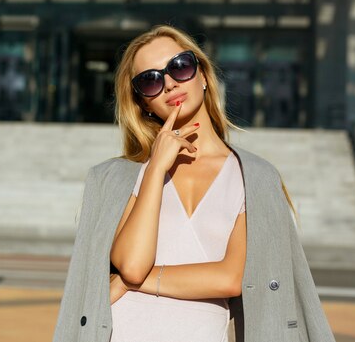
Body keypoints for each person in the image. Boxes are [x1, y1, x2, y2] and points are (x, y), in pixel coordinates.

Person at [52, 24, 336, 342]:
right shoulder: (122, 175)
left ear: (202, 75)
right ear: (144, 103)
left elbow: (231, 278)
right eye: (150, 80)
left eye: (180, 66)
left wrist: (133, 283)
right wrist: (156, 167)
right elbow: (132, 265)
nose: (170, 84)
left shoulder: (253, 176)